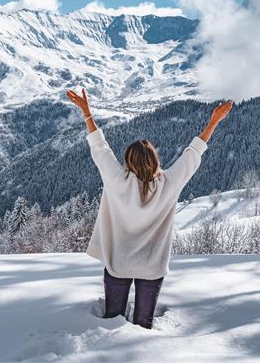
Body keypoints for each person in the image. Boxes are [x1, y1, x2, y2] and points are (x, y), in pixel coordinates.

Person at [66, 87, 233, 329]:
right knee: (144, 325)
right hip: (152, 267)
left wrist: (87, 113)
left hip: (118, 264)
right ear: (154, 160)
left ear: (128, 161)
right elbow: (192, 154)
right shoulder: (169, 184)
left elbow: (100, 149)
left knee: (112, 323)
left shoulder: (116, 180)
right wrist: (213, 122)